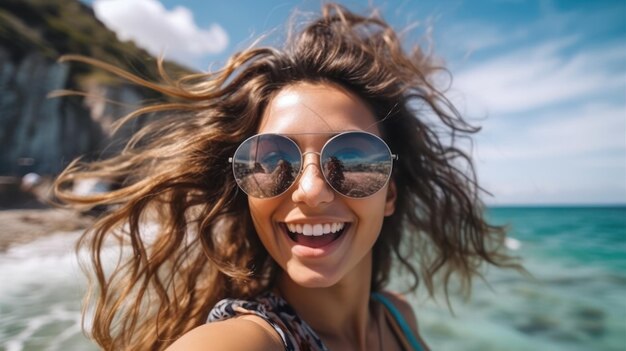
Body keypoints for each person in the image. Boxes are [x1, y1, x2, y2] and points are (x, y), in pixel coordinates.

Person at [54, 3, 519, 351]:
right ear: (247, 190)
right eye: (272, 159)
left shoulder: (399, 317)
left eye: (354, 159)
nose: (312, 191)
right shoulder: (245, 343)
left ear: (391, 191)